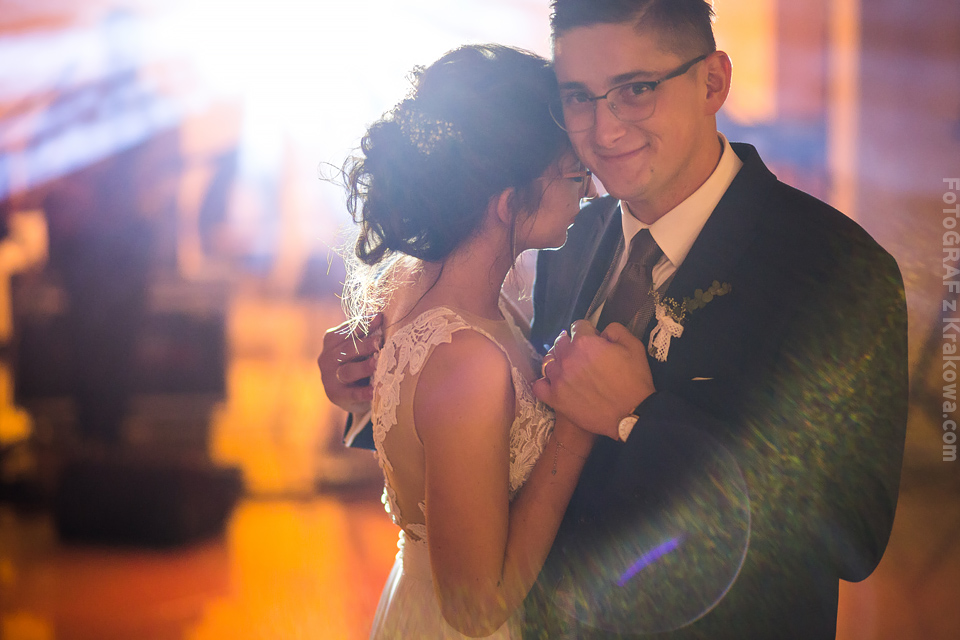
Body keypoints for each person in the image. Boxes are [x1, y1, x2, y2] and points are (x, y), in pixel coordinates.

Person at [321, 2, 909, 638]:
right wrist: (379, 385)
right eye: (578, 97)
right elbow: (500, 415)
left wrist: (640, 419)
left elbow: (850, 532)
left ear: (713, 82)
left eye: (636, 90)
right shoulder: (570, 235)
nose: (602, 132)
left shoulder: (833, 268)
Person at [332, 44, 601, 638]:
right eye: (572, 174)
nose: (586, 191)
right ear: (507, 203)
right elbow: (474, 609)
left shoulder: (410, 284)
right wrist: (576, 429)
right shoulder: (468, 360)